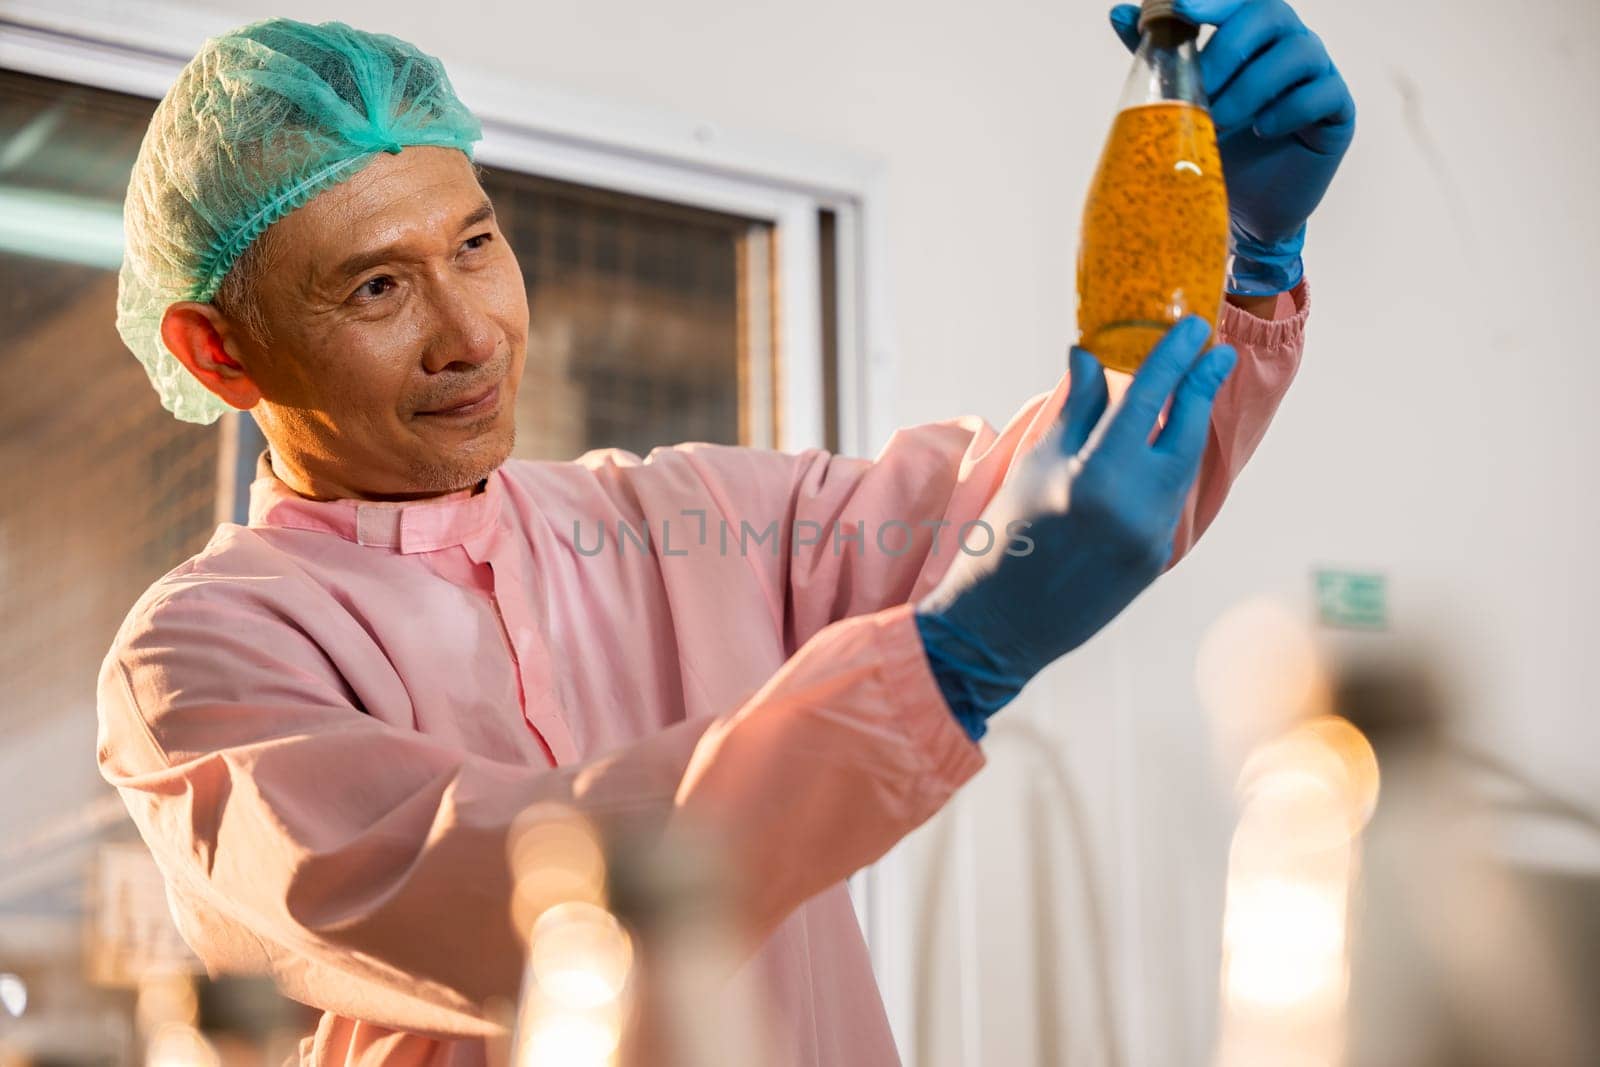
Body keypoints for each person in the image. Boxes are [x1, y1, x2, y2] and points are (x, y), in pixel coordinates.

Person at [96, 3, 1351, 1064]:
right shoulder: (203, 658)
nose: (468, 331)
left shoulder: (685, 518)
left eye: (476, 244)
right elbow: (512, 896)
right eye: (376, 284)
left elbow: (1063, 484)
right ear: (218, 350)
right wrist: (938, 670)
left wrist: (1232, 261)